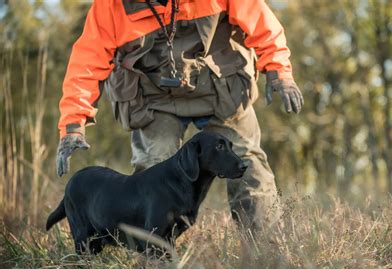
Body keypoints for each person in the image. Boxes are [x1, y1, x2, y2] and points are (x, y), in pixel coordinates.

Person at [56, 0, 304, 230]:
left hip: (222, 90)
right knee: (153, 166)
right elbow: (87, 60)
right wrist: (73, 125)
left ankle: (267, 252)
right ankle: (154, 256)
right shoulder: (113, 5)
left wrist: (280, 72)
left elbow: (263, 23)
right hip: (154, 100)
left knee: (247, 161)